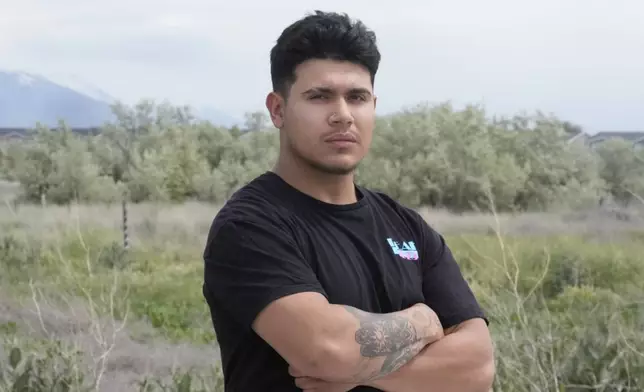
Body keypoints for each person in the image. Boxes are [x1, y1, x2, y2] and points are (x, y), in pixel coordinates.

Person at [202, 10, 495, 392]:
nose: (342, 115)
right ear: (278, 110)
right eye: (319, 97)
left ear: (373, 105)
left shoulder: (407, 226)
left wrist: (364, 371)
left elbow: (477, 366)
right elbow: (329, 350)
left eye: (356, 97)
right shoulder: (250, 226)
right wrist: (422, 322)